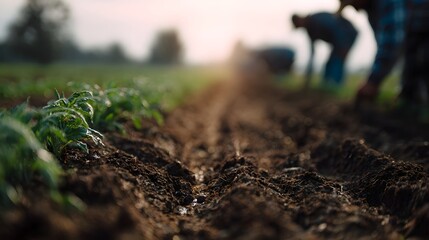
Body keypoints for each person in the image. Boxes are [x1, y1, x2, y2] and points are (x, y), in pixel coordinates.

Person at [338, 0, 429, 113]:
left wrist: (373, 81)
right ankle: (411, 102)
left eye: (351, 3)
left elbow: (392, 42)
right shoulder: (372, 10)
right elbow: (394, 45)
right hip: (417, 31)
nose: (354, 8)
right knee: (413, 61)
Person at [291, 12, 358, 88]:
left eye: (298, 26)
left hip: (347, 33)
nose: (300, 28)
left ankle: (335, 85)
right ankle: (327, 84)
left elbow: (336, 27)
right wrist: (308, 78)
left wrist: (344, 47)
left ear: (299, 20)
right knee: (331, 61)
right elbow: (312, 53)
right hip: (338, 40)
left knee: (337, 60)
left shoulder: (317, 20)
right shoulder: (310, 30)